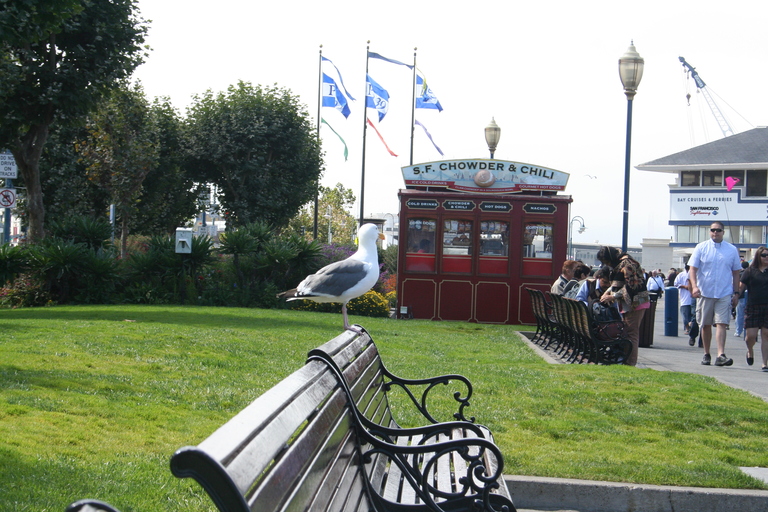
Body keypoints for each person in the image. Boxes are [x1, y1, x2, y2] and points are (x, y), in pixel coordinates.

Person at [688, 220, 742, 367]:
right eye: (713, 230)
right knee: (705, 324)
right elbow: (692, 269)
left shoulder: (731, 250)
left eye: (718, 230)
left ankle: (721, 355)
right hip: (705, 292)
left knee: (721, 323)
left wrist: (736, 293)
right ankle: (706, 353)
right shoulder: (701, 247)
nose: (715, 232)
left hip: (724, 292)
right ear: (709, 231)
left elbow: (736, 272)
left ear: (723, 232)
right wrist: (694, 287)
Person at [596, 246, 650, 366]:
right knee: (628, 332)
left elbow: (631, 285)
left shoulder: (627, 264)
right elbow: (618, 284)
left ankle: (630, 363)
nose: (607, 264)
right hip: (631, 303)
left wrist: (612, 296)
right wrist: (608, 292)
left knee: (631, 333)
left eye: (606, 261)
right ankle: (627, 361)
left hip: (636, 302)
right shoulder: (623, 262)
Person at [739, 247, 768, 370]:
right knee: (751, 336)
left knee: (766, 334)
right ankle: (750, 350)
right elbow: (741, 287)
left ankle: (764, 363)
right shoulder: (750, 271)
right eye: (764, 255)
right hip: (753, 306)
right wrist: (735, 297)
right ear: (758, 257)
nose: (766, 257)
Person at [674, 265, 693, 338]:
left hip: (693, 299)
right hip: (685, 299)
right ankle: (687, 329)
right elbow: (675, 284)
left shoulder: (695, 274)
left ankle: (692, 328)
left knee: (693, 316)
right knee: (685, 316)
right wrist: (684, 286)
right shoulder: (681, 275)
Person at [734, 260, 749, 337]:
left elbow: (739, 286)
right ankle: (747, 330)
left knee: (739, 315)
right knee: (748, 315)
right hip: (749, 297)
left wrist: (736, 295)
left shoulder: (740, 274)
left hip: (741, 296)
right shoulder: (750, 273)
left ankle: (738, 331)